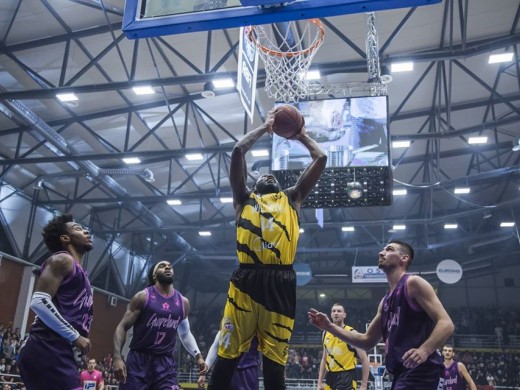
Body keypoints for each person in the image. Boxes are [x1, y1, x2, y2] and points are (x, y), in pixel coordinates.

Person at [208, 108, 327, 390]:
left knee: (275, 366)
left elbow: (320, 158)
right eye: (263, 175)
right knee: (226, 359)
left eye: (273, 175)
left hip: (280, 282)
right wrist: (265, 128)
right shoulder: (243, 198)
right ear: (254, 183)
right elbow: (238, 150)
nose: (268, 175)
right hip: (245, 281)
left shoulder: (293, 198)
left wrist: (302, 136)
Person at [309, 240, 454, 390]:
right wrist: (329, 326)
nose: (381, 253)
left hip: (423, 371)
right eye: (382, 250)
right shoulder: (385, 302)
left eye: (389, 249)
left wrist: (424, 350)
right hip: (401, 374)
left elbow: (446, 323)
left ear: (404, 258)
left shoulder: (413, 283)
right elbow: (367, 341)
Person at [18, 214, 94, 390]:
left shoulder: (80, 272)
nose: (86, 231)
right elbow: (38, 301)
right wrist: (74, 336)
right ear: (65, 238)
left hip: (56, 348)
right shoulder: (63, 259)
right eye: (78, 228)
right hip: (47, 346)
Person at [112, 260, 207, 389]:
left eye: (170, 266)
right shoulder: (143, 297)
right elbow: (121, 327)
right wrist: (117, 357)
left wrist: (198, 356)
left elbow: (185, 334)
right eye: (162, 266)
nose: (168, 267)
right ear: (154, 275)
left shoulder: (183, 302)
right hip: (139, 361)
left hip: (165, 364)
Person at [317, 303, 370, 390]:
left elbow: (364, 359)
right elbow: (324, 358)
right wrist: (319, 382)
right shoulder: (325, 333)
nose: (336, 313)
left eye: (339, 311)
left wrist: (364, 385)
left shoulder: (352, 333)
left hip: (347, 376)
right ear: (331, 314)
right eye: (333, 311)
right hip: (330, 377)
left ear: (344, 315)